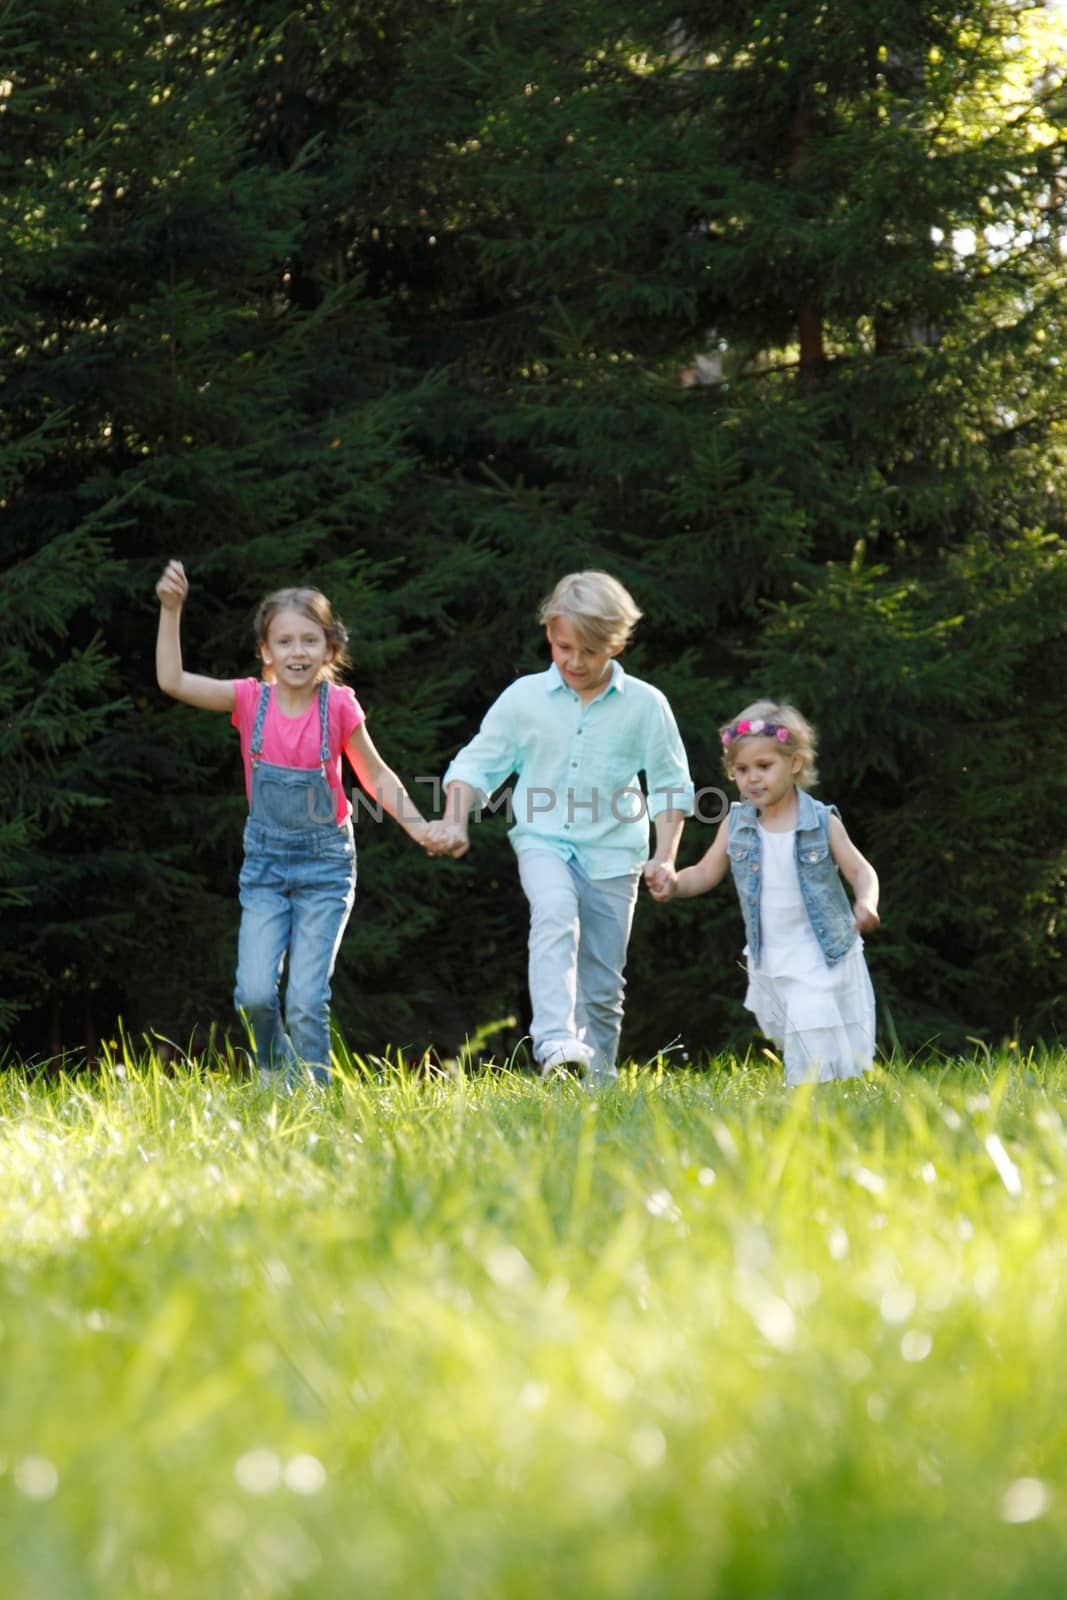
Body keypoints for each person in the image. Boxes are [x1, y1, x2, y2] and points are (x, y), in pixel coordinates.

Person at [155, 559, 445, 1087]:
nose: (297, 652)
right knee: (255, 996)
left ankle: (315, 1100)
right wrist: (171, 610)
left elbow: (376, 777)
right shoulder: (247, 700)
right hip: (265, 866)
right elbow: (171, 681)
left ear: (330, 650)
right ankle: (276, 1077)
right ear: (265, 651)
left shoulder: (339, 707)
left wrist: (420, 827)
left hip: (326, 868)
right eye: (284, 642)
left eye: (309, 641)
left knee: (307, 1002)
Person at [425, 571, 693, 1083]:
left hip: (616, 853)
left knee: (602, 986)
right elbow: (474, 765)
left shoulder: (646, 704)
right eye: (563, 646)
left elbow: (671, 787)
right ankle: (554, 1044)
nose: (574, 661)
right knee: (553, 912)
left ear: (616, 644)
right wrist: (454, 820)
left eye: (589, 651)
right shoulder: (524, 698)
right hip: (543, 839)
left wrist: (665, 856)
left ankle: (599, 1082)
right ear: (549, 632)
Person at [647, 700, 880, 1086]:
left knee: (813, 1019)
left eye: (763, 766)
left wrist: (866, 902)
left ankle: (806, 1100)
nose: (752, 778)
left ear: (794, 763)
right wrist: (673, 883)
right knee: (803, 1032)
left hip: (822, 950)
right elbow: (705, 872)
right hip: (772, 953)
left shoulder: (821, 822)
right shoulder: (737, 823)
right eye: (742, 770)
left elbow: (861, 871)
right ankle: (827, 1094)